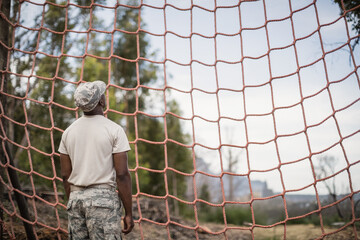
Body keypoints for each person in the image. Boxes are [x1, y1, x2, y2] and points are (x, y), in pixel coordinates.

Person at [58, 80, 134, 239]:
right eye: (102, 94)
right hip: (103, 202)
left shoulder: (68, 132)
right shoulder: (114, 130)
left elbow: (65, 175)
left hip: (75, 199)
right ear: (101, 101)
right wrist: (128, 213)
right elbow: (122, 174)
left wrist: (73, 199)